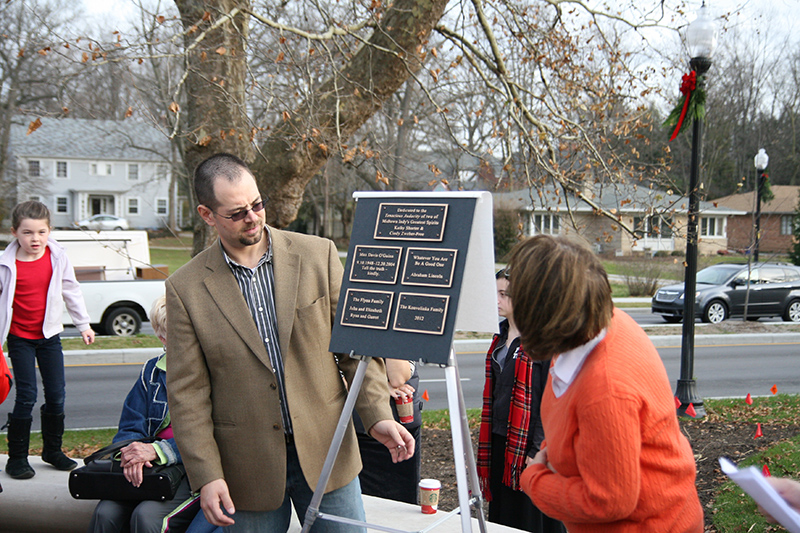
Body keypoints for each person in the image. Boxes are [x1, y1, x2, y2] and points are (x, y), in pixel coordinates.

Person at [165, 153, 414, 532]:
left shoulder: (319, 254)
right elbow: (188, 395)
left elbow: (355, 351)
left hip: (327, 450)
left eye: (257, 204)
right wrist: (207, 474)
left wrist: (377, 414)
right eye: (237, 213)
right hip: (247, 469)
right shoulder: (185, 289)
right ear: (206, 214)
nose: (253, 217)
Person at [507, 235, 703, 532]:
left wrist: (533, 478)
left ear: (542, 313)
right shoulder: (598, 325)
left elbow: (609, 501)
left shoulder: (606, 390)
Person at [0, 200, 95, 479]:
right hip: (19, 338)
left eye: (41, 232)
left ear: (49, 231)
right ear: (15, 232)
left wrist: (83, 324)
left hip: (50, 336)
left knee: (56, 396)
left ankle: (52, 451)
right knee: (26, 396)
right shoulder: (5, 264)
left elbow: (71, 290)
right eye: (28, 232)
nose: (35, 239)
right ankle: (17, 458)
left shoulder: (57, 257)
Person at [89, 295, 197, 533]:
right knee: (105, 513)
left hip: (195, 469)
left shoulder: (215, 371)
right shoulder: (151, 372)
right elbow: (130, 426)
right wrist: (129, 455)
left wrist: (162, 450)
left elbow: (217, 433)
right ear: (162, 338)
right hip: (151, 467)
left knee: (147, 517)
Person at [476, 269, 565, 533]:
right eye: (496, 293)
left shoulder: (543, 341)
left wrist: (536, 450)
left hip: (528, 446)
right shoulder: (499, 337)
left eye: (504, 294)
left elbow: (551, 401)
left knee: (531, 517)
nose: (497, 300)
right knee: (504, 515)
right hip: (499, 442)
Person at [355, 359, 422, 504]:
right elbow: (333, 379)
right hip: (354, 430)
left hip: (399, 427)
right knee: (360, 505)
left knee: (400, 507)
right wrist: (379, 387)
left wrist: (388, 335)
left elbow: (398, 378)